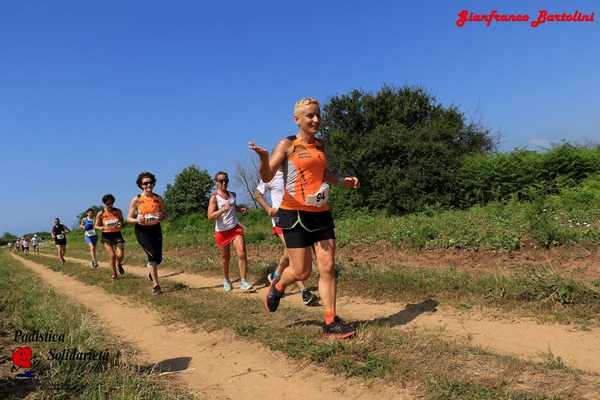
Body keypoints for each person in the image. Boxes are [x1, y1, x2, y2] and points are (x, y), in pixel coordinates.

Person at [249, 97, 360, 339]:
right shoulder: (287, 144)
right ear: (297, 119)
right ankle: (278, 285)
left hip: (320, 214)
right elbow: (267, 177)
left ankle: (330, 321)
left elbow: (324, 174)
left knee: (328, 266)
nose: (316, 120)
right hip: (293, 214)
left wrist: (342, 181)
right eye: (310, 115)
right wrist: (263, 158)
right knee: (301, 272)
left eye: (318, 115)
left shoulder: (320, 145)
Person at [255, 170, 318, 306]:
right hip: (280, 220)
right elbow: (258, 194)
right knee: (291, 252)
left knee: (288, 254)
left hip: (297, 219)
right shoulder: (270, 174)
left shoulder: (295, 172)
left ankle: (275, 275)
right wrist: (268, 209)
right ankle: (304, 292)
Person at [207, 171, 254, 292]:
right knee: (225, 258)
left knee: (242, 253)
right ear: (216, 182)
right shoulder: (214, 197)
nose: (224, 183)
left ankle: (243, 281)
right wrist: (222, 210)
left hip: (235, 228)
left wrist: (240, 209)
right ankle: (226, 280)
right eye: (221, 181)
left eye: (226, 180)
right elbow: (210, 216)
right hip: (222, 232)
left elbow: (234, 207)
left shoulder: (233, 194)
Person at [127, 172, 166, 296]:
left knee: (158, 258)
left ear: (154, 183)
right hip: (142, 231)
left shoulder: (158, 198)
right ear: (140, 185)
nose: (148, 185)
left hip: (155, 229)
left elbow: (164, 215)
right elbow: (128, 218)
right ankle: (156, 285)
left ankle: (151, 269)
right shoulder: (137, 199)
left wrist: (161, 216)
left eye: (150, 182)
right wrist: (137, 219)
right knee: (152, 256)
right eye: (145, 183)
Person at [95, 194, 126, 280]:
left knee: (120, 255)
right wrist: (101, 227)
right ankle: (114, 273)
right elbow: (96, 226)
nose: (110, 205)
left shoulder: (118, 211)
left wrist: (121, 224)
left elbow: (122, 221)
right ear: (104, 203)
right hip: (106, 236)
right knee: (112, 256)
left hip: (117, 234)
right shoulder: (101, 213)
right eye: (108, 204)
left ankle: (119, 264)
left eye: (111, 203)